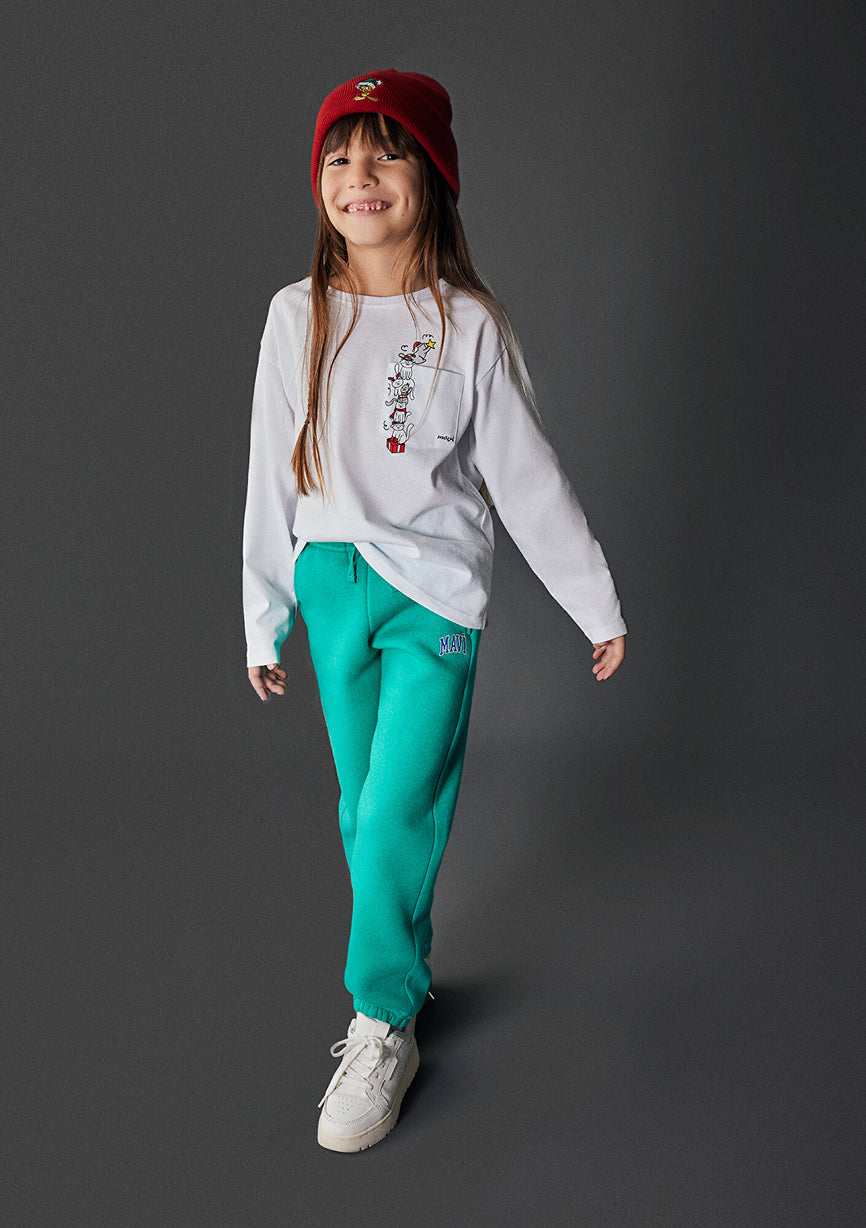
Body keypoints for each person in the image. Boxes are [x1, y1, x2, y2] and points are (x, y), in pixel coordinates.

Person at [242, 69, 627, 1153]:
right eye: (338, 156)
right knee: (364, 809)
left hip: (432, 599)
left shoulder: (468, 326)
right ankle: (405, 984)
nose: (358, 175)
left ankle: (376, 1018)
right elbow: (271, 474)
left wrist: (593, 601)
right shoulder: (296, 315)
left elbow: (526, 477)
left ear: (434, 176)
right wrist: (264, 612)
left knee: (398, 807)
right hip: (331, 585)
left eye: (386, 152)